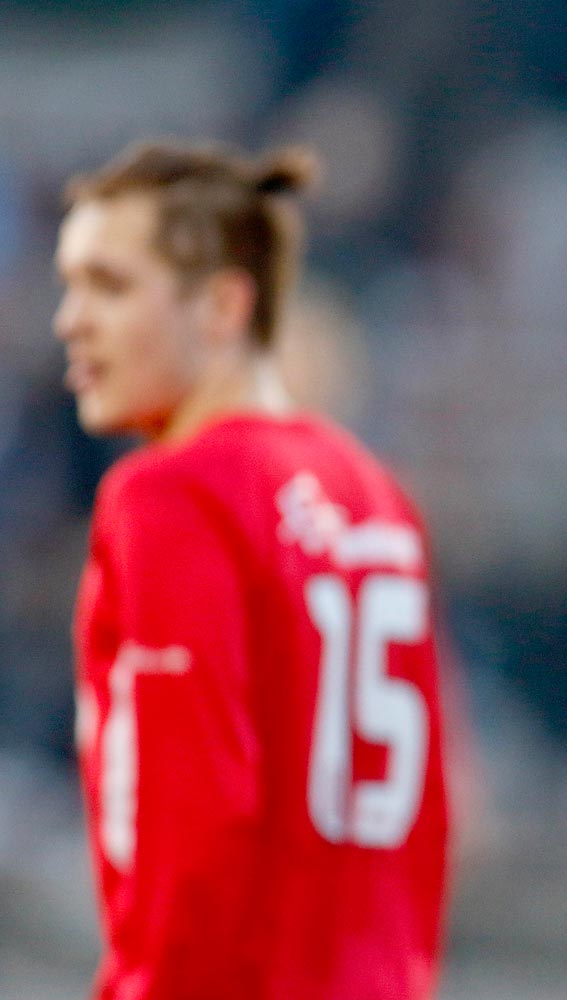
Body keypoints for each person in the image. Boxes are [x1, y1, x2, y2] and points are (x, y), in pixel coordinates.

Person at [54, 140, 449, 1000]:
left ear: (223, 306)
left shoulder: (169, 495)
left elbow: (191, 816)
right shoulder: (379, 497)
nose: (70, 320)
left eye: (108, 286)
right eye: (70, 283)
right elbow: (427, 822)